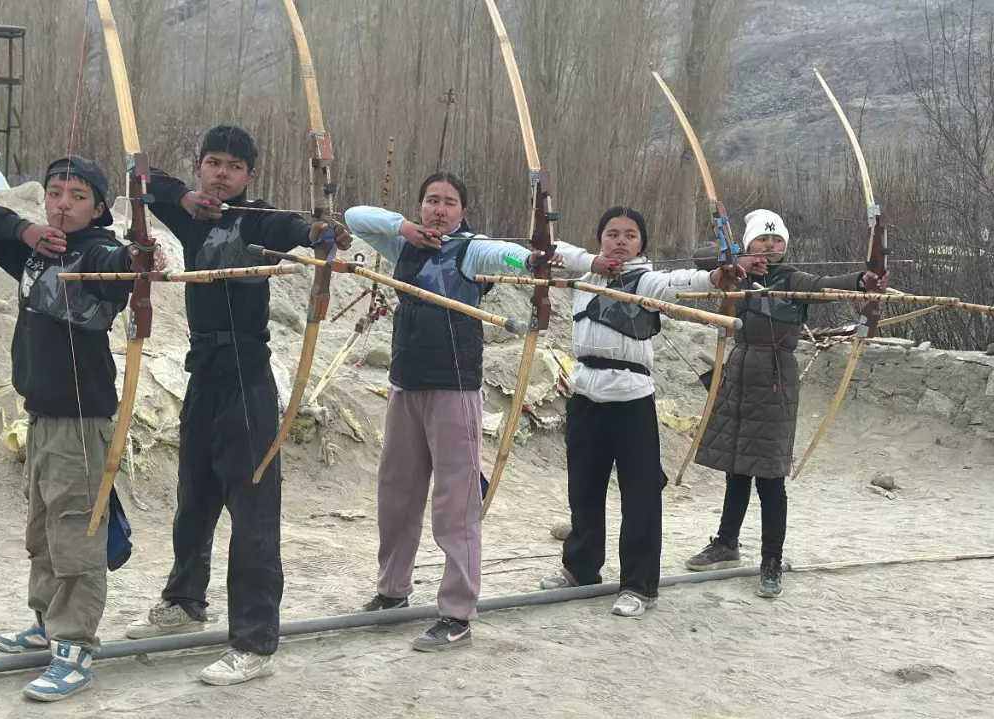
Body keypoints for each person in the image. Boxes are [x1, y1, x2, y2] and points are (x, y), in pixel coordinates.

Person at [121, 125, 350, 686]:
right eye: (213, 164)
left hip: (247, 377)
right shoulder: (192, 213)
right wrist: (182, 199)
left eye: (233, 168)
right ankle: (183, 600)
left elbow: (294, 226)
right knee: (193, 495)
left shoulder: (256, 219)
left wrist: (321, 229)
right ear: (200, 168)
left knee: (252, 514)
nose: (221, 174)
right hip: (202, 374)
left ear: (250, 178)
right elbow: (142, 180)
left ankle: (254, 641)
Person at [0, 156, 161, 701]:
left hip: (81, 420)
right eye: (55, 192)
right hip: (42, 415)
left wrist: (139, 256)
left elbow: (118, 261)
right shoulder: (36, 246)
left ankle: (74, 648)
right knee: (45, 529)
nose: (62, 203)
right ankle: (46, 622)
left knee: (76, 534)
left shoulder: (96, 251)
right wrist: (25, 230)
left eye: (77, 196)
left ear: (98, 208)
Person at [345, 172, 561, 651]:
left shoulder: (471, 249)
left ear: (463, 211)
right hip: (405, 386)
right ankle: (392, 591)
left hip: (455, 391)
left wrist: (532, 259)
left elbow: (508, 255)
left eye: (449, 203)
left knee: (455, 504)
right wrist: (404, 228)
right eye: (431, 201)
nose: (439, 210)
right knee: (396, 495)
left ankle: (457, 613)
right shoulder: (402, 245)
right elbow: (353, 217)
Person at [535, 206, 737, 617]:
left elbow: (678, 283)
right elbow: (551, 249)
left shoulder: (645, 279)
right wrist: (594, 263)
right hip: (586, 394)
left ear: (642, 242)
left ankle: (639, 585)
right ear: (600, 238)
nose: (620, 241)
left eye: (630, 234)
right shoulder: (584, 274)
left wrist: (715, 278)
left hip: (631, 399)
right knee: (584, 489)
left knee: (641, 495)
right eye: (612, 233)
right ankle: (581, 570)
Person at [683, 209, 888, 598]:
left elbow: (827, 284)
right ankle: (726, 544)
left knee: (770, 479)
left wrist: (864, 279)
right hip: (738, 373)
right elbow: (698, 258)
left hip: (776, 376)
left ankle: (771, 562)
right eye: (763, 239)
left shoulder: (793, 278)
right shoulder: (735, 272)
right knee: (736, 469)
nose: (770, 246)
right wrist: (735, 260)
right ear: (749, 243)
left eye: (777, 241)